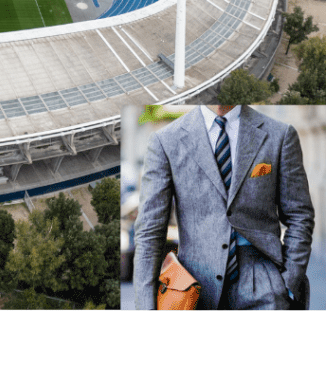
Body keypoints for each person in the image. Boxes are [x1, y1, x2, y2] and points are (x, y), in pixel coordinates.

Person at [133, 103, 314, 310]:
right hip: (193, 289)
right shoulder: (165, 140)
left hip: (264, 282)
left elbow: (300, 215)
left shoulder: (279, 135)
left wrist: (288, 281)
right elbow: (149, 231)